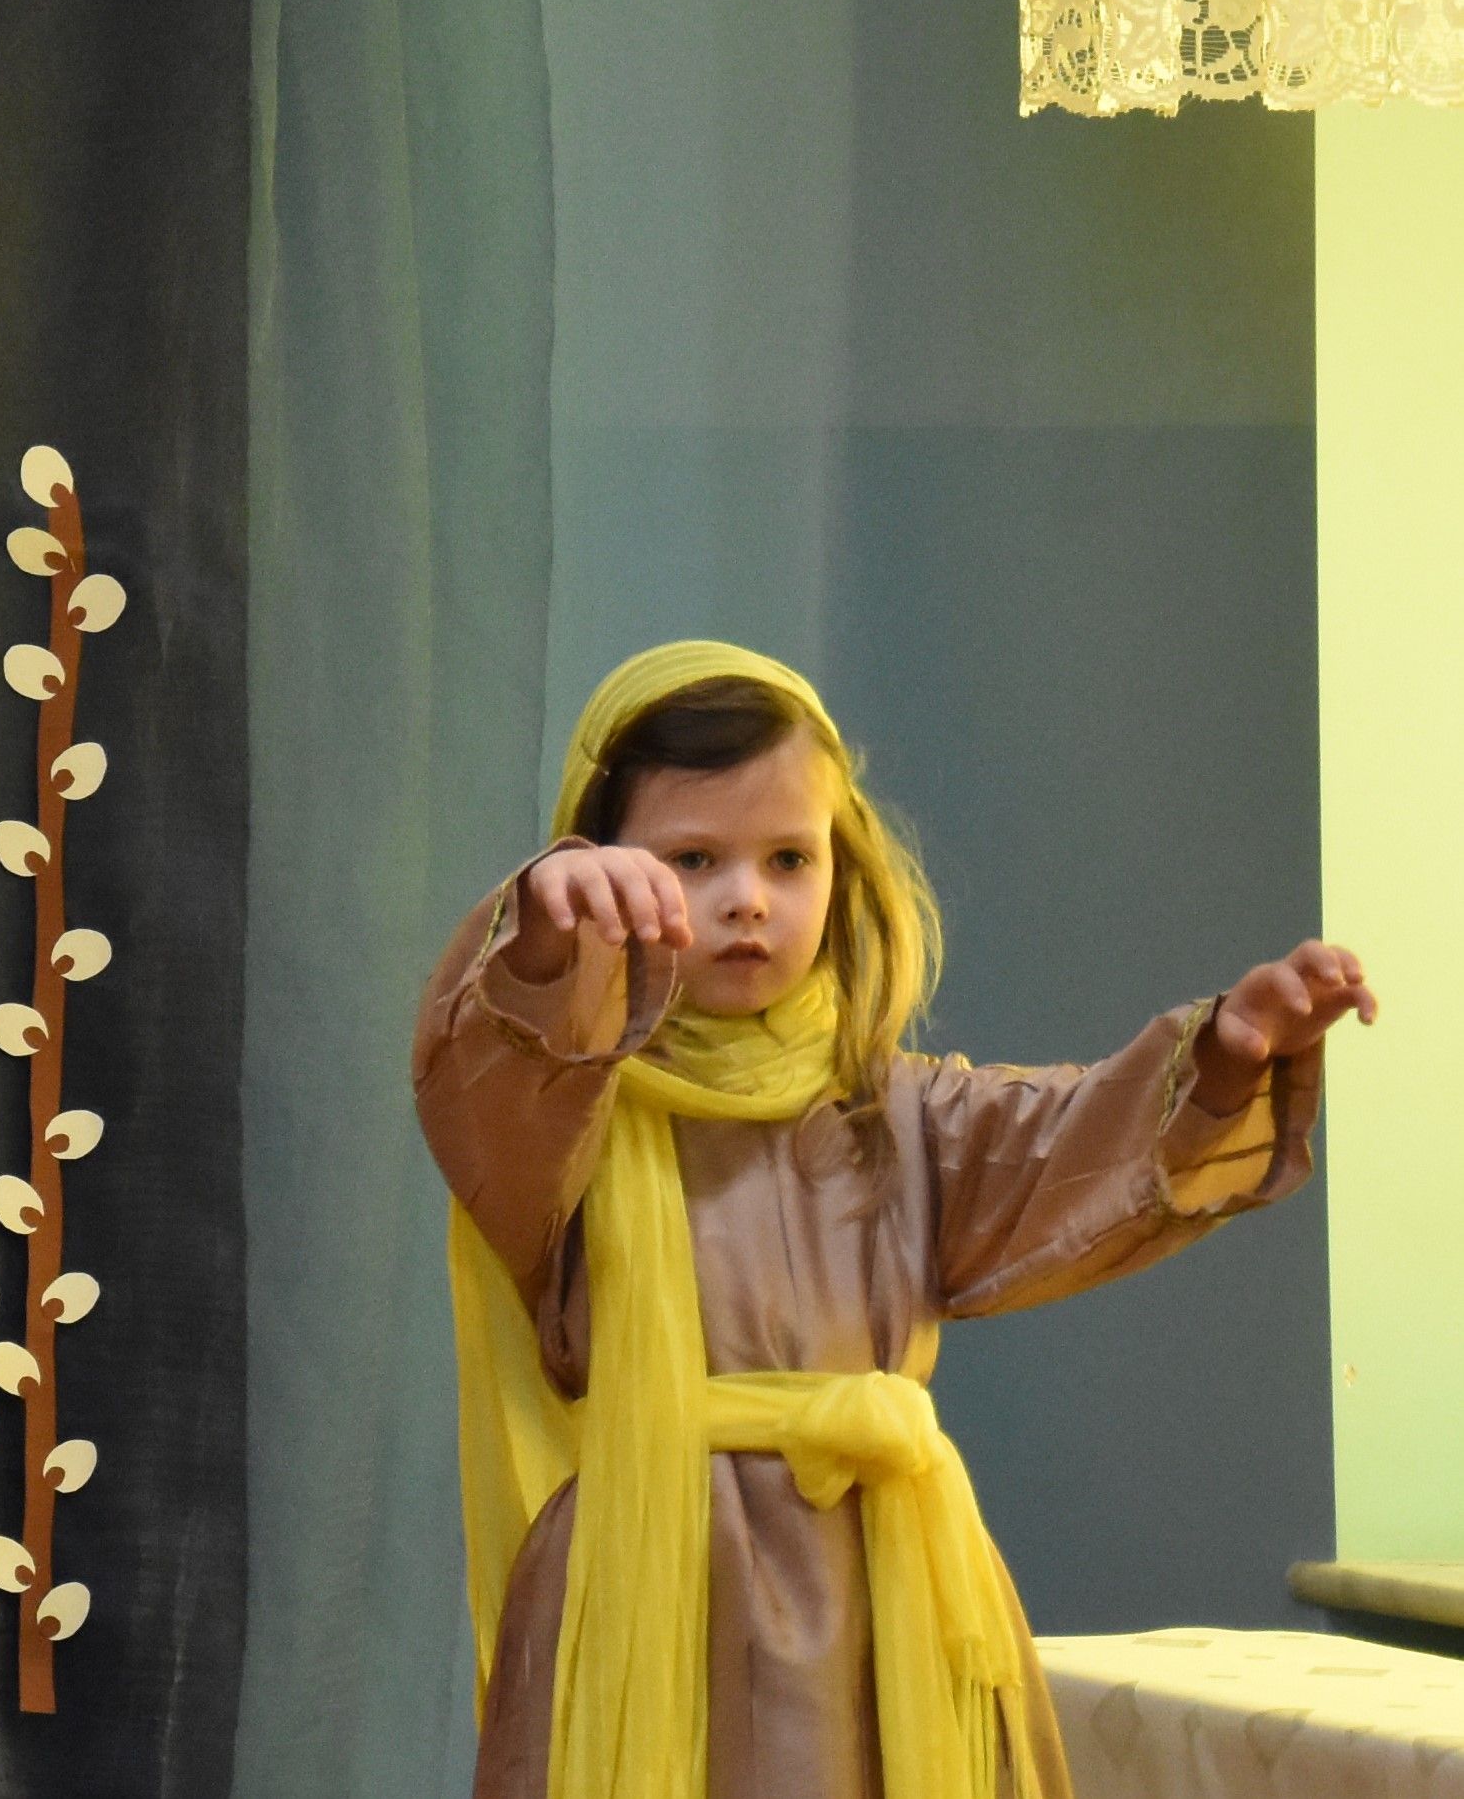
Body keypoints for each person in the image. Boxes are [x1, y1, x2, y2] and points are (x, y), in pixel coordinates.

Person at [424, 642, 1368, 1799]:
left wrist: (1222, 1056)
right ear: (606, 863)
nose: (746, 899)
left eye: (788, 858)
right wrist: (538, 941)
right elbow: (487, 1082)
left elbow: (1070, 1146)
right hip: (643, 1590)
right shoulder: (569, 1112)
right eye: (691, 859)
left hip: (885, 1592)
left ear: (843, 868)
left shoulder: (899, 1114)